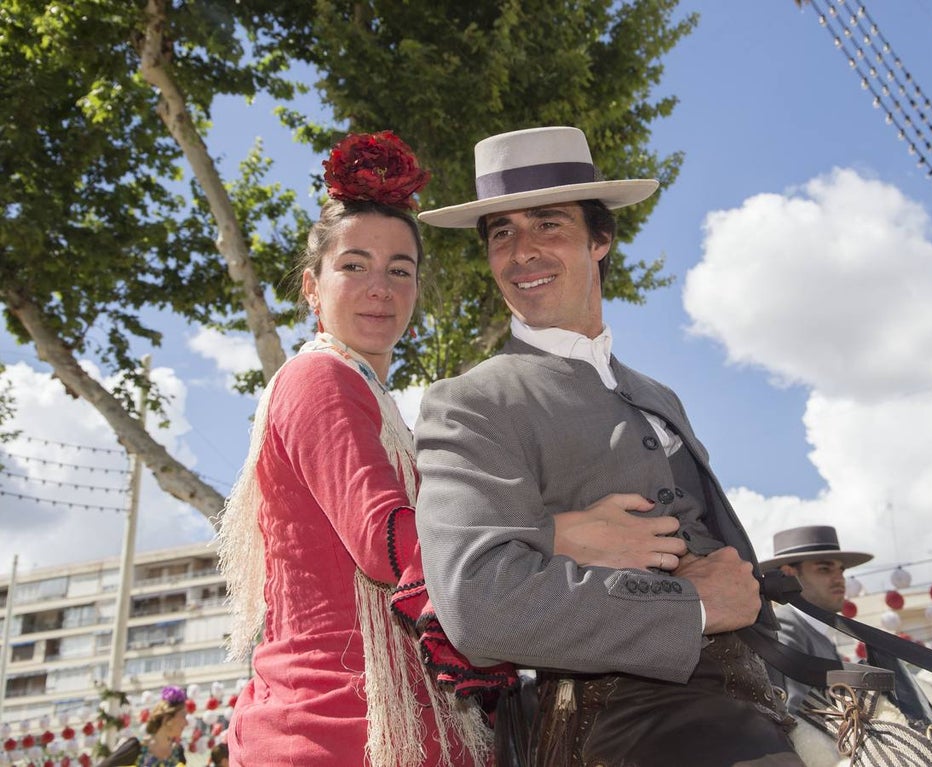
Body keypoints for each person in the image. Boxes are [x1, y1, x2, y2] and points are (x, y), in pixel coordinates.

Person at [216, 129, 673, 767]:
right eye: (353, 266)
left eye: (399, 270)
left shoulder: (374, 401)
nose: (379, 287)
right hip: (341, 732)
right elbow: (389, 544)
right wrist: (563, 533)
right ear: (311, 288)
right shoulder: (321, 377)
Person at [415, 126, 805, 766]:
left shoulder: (657, 393)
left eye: (547, 224)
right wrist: (694, 606)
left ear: (600, 239)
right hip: (623, 715)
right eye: (502, 234)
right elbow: (480, 608)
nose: (522, 252)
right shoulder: (471, 401)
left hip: (756, 682)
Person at [758, 525, 873, 713]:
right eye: (824, 569)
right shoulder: (785, 628)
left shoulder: (819, 636)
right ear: (789, 573)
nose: (839, 579)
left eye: (841, 570)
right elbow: (798, 715)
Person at [96, 686, 188, 767]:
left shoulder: (178, 752)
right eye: (183, 716)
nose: (186, 723)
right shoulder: (137, 747)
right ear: (167, 719)